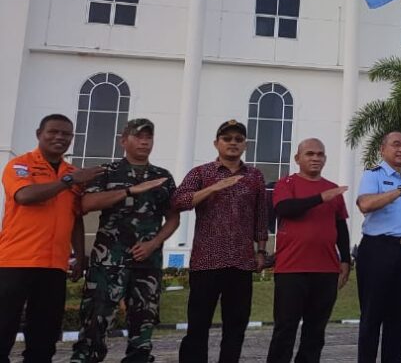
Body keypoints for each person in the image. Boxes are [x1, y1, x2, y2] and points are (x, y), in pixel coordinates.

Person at [70, 118, 179, 363]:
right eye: (138, 136)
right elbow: (86, 204)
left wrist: (154, 243)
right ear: (123, 140)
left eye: (148, 137)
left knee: (143, 323)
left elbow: (173, 219)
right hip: (108, 261)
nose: (144, 141)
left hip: (147, 263)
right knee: (95, 320)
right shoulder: (107, 172)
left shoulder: (162, 177)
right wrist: (129, 191)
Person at [0, 114, 105, 362]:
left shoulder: (73, 173)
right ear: (39, 134)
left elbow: (76, 218)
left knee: (44, 336)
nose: (60, 138)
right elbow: (25, 196)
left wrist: (79, 255)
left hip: (54, 265)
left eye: (66, 134)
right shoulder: (20, 165)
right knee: (3, 328)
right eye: (53, 132)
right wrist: (67, 181)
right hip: (15, 262)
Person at [172, 120, 268, 363]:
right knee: (198, 326)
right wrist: (212, 189)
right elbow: (179, 201)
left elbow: (261, 216)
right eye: (227, 139)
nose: (233, 143)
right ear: (216, 143)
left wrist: (261, 251)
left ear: (245, 145)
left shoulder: (254, 175)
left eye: (238, 139)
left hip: (241, 262)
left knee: (236, 327)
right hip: (207, 261)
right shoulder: (201, 173)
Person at [265, 138, 352, 363]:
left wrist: (345, 261)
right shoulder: (286, 184)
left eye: (320, 154)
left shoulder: (332, 189)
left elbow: (341, 226)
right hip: (291, 269)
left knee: (315, 333)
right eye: (310, 154)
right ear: (297, 159)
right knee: (285, 329)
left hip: (325, 270)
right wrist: (320, 198)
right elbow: (286, 209)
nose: (315, 158)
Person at [355, 131, 401, 363]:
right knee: (372, 317)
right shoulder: (373, 175)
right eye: (396, 144)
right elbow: (365, 204)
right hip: (377, 249)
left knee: (399, 319)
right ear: (383, 149)